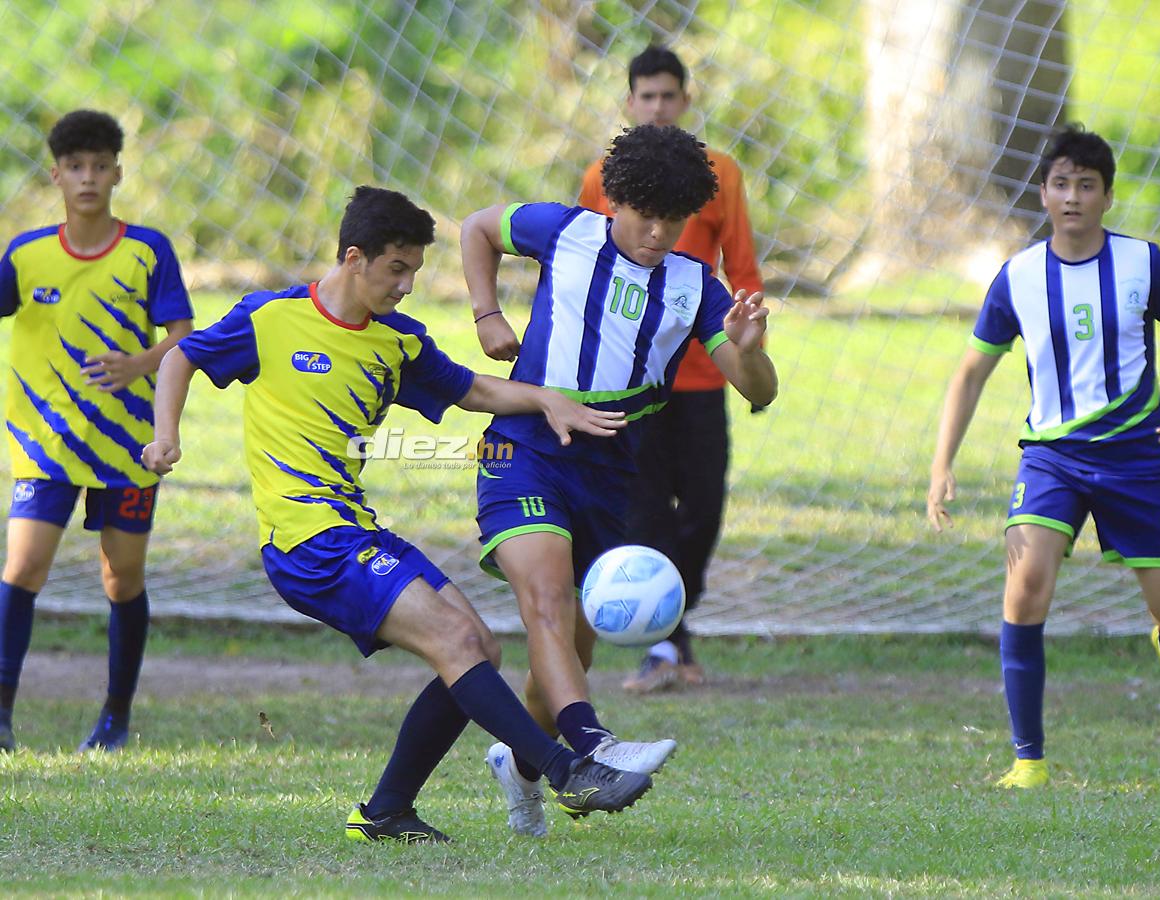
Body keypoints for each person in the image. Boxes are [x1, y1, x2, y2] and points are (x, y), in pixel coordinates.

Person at [143, 185, 652, 843]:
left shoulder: (397, 340)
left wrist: (547, 400)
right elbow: (182, 355)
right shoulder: (269, 318)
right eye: (397, 269)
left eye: (414, 270)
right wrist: (166, 435)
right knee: (459, 644)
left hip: (352, 528)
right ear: (354, 257)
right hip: (306, 539)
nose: (408, 285)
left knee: (479, 650)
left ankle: (387, 810)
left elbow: (471, 389)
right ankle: (566, 772)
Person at [462, 124, 777, 835]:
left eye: (675, 219)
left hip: (610, 468)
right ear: (616, 200)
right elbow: (477, 229)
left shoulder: (696, 286)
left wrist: (752, 354)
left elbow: (759, 392)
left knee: (571, 646)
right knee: (543, 601)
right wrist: (488, 316)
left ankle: (517, 766)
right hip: (525, 444)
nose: (660, 232)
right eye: (646, 215)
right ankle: (595, 748)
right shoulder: (562, 230)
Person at [927, 125, 1160, 789]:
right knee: (1025, 585)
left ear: (1106, 196)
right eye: (1060, 183)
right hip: (1052, 458)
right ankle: (1029, 762)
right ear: (1043, 193)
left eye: (1086, 185)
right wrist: (942, 466)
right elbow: (969, 374)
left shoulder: (1144, 265)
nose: (1072, 196)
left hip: (1139, 459)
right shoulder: (1018, 277)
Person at [0, 109, 194, 753]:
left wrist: (138, 364)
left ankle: (114, 718)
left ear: (117, 172)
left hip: (128, 445)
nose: (87, 178)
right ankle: (0, 717)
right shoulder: (25, 255)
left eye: (99, 166)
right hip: (44, 444)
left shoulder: (148, 250)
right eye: (75, 167)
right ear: (55, 174)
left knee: (122, 579)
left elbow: (183, 336)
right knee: (23, 570)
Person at [578, 44, 765, 693]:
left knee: (705, 508)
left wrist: (749, 345)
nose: (657, 106)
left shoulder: (721, 173)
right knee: (645, 511)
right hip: (628, 380)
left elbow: (740, 269)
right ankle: (663, 647)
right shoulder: (600, 177)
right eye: (646, 96)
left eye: (668, 96)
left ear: (685, 102)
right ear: (630, 104)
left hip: (703, 375)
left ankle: (670, 622)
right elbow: (584, 270)